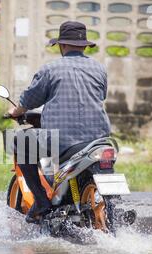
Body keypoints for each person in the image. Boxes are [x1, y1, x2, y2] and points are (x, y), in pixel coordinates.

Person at [8, 21, 111, 224]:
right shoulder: (100, 69)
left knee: (21, 141)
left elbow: (28, 100)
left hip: (62, 142)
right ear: (84, 46)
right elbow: (100, 96)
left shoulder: (50, 70)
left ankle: (42, 202)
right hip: (99, 140)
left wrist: (15, 111)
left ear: (62, 45)